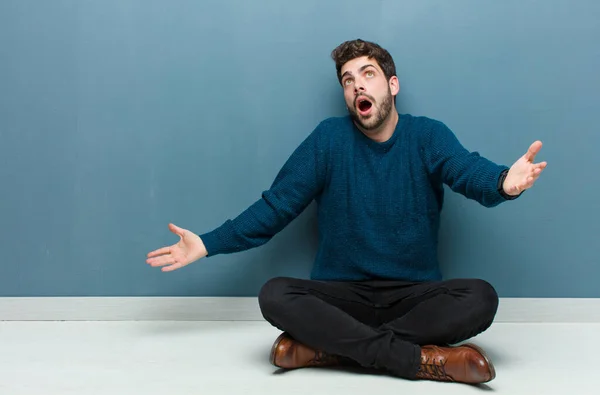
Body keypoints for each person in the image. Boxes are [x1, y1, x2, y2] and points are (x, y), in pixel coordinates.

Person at [146, 39, 547, 384]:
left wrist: (502, 183)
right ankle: (417, 359)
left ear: (392, 85)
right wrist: (207, 244)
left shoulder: (427, 135)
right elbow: (276, 206)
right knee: (275, 295)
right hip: (341, 295)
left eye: (367, 74)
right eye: (348, 80)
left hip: (412, 296)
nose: (357, 85)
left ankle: (332, 349)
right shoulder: (328, 139)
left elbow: (467, 171)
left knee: (480, 297)